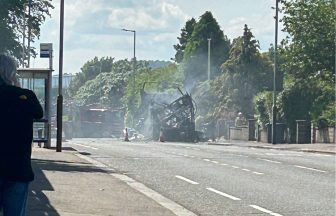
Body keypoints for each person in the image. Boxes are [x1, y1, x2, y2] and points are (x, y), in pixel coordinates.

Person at [0, 54, 43, 216]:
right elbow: (38, 113)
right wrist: (16, 87)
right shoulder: (26, 96)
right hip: (18, 168)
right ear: (11, 73)